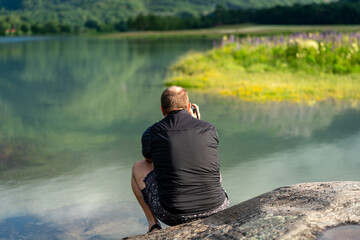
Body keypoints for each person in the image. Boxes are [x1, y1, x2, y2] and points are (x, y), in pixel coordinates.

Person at [131, 86, 229, 233]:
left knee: (138, 167)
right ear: (189, 107)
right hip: (218, 207)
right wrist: (197, 121)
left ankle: (153, 225)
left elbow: (148, 160)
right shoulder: (209, 128)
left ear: (162, 110)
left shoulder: (152, 133)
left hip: (173, 215)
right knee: (207, 164)